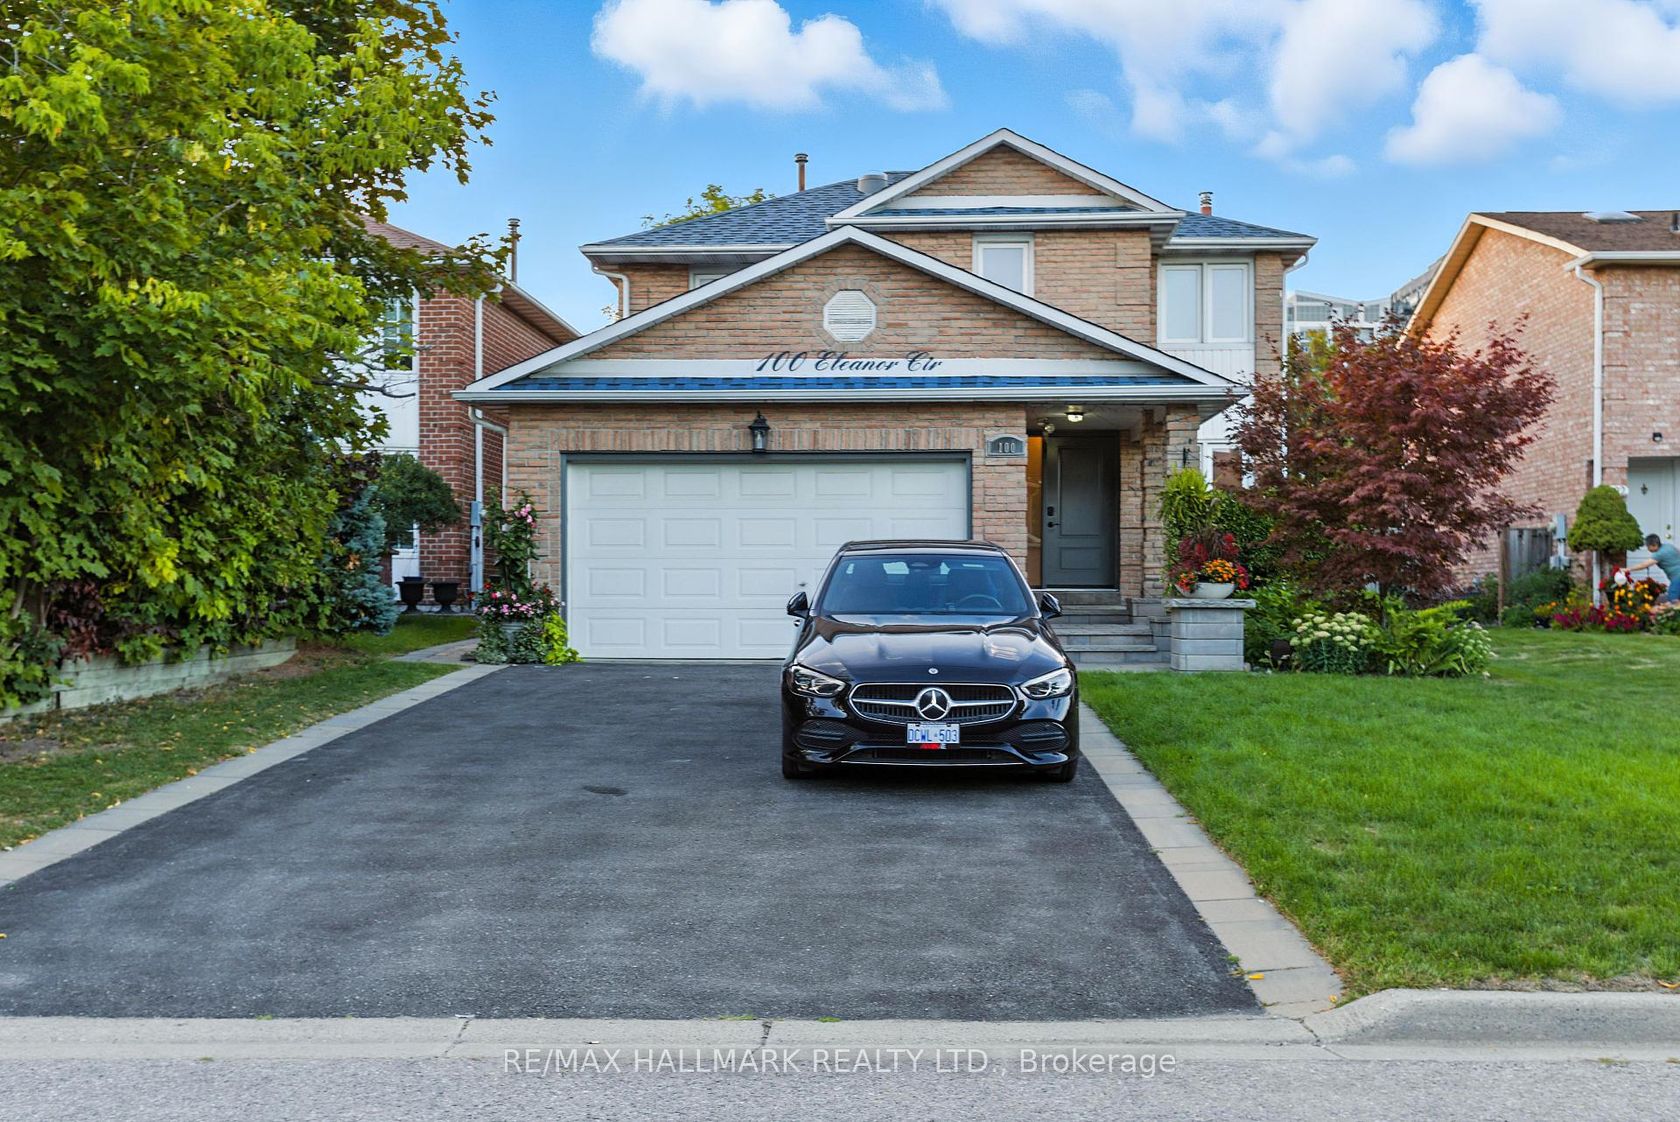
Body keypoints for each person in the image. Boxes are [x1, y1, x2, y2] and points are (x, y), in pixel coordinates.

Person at [1626, 533, 1680, 602]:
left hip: (1677, 578)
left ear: (1654, 545)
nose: (1648, 548)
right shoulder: (1668, 546)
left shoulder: (1659, 554)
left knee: (1673, 598)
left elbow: (1643, 565)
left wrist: (1627, 569)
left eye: (1648, 546)